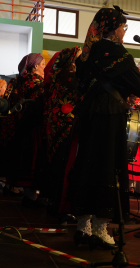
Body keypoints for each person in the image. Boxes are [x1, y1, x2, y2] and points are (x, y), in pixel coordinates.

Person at [70, 6, 140, 250]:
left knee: (87, 164)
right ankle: (100, 229)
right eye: (123, 27)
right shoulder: (118, 52)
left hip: (89, 114)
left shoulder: (88, 52)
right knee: (107, 167)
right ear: (114, 29)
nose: (124, 32)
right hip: (109, 114)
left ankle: (82, 226)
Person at [40, 47, 82, 225]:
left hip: (55, 128)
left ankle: (54, 203)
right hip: (67, 129)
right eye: (78, 59)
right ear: (70, 61)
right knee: (65, 167)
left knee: (56, 165)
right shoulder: (71, 78)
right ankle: (63, 208)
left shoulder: (57, 77)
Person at [1, 53, 46, 208]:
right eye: (42, 65)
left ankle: (28, 195)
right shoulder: (37, 81)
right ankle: (31, 197)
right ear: (35, 67)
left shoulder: (19, 80)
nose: (44, 68)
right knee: (32, 159)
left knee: (24, 159)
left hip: (21, 125)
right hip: (33, 126)